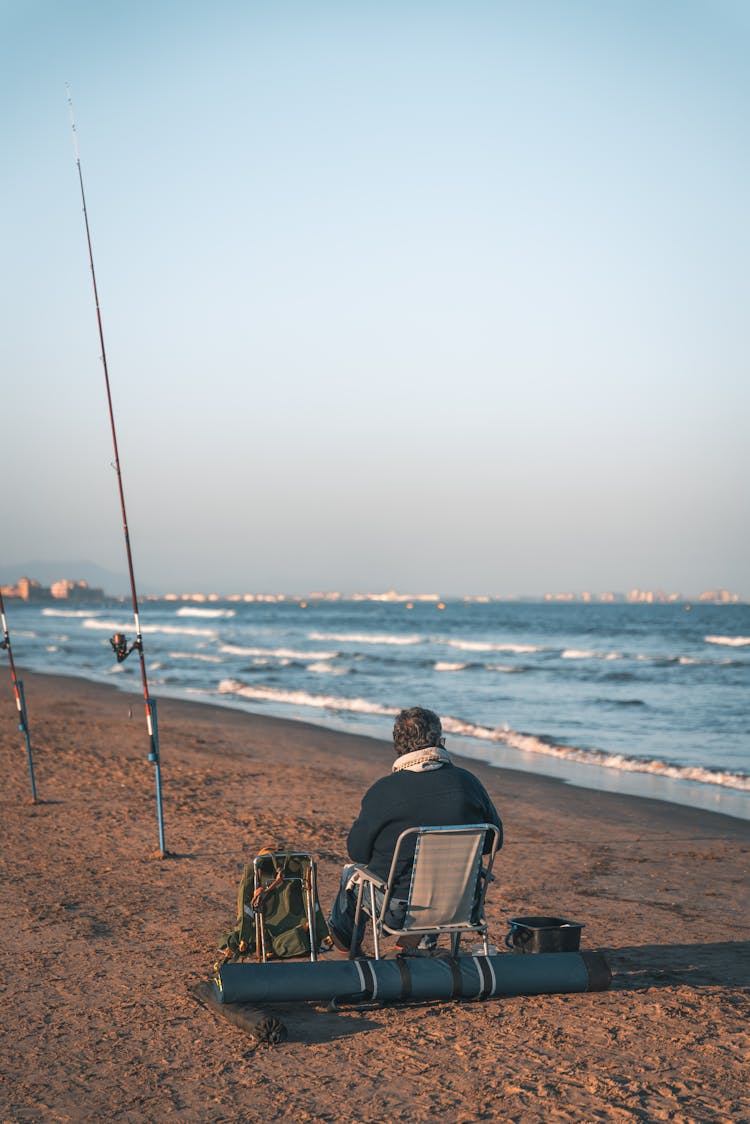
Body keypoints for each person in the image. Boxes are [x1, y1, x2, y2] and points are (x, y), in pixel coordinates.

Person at [328, 706, 503, 953]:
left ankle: (346, 946)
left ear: (398, 746)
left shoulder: (384, 790)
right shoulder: (469, 782)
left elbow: (357, 852)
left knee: (352, 874)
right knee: (440, 877)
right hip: (462, 903)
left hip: (397, 909)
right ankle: (416, 943)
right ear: (440, 742)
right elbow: (494, 842)